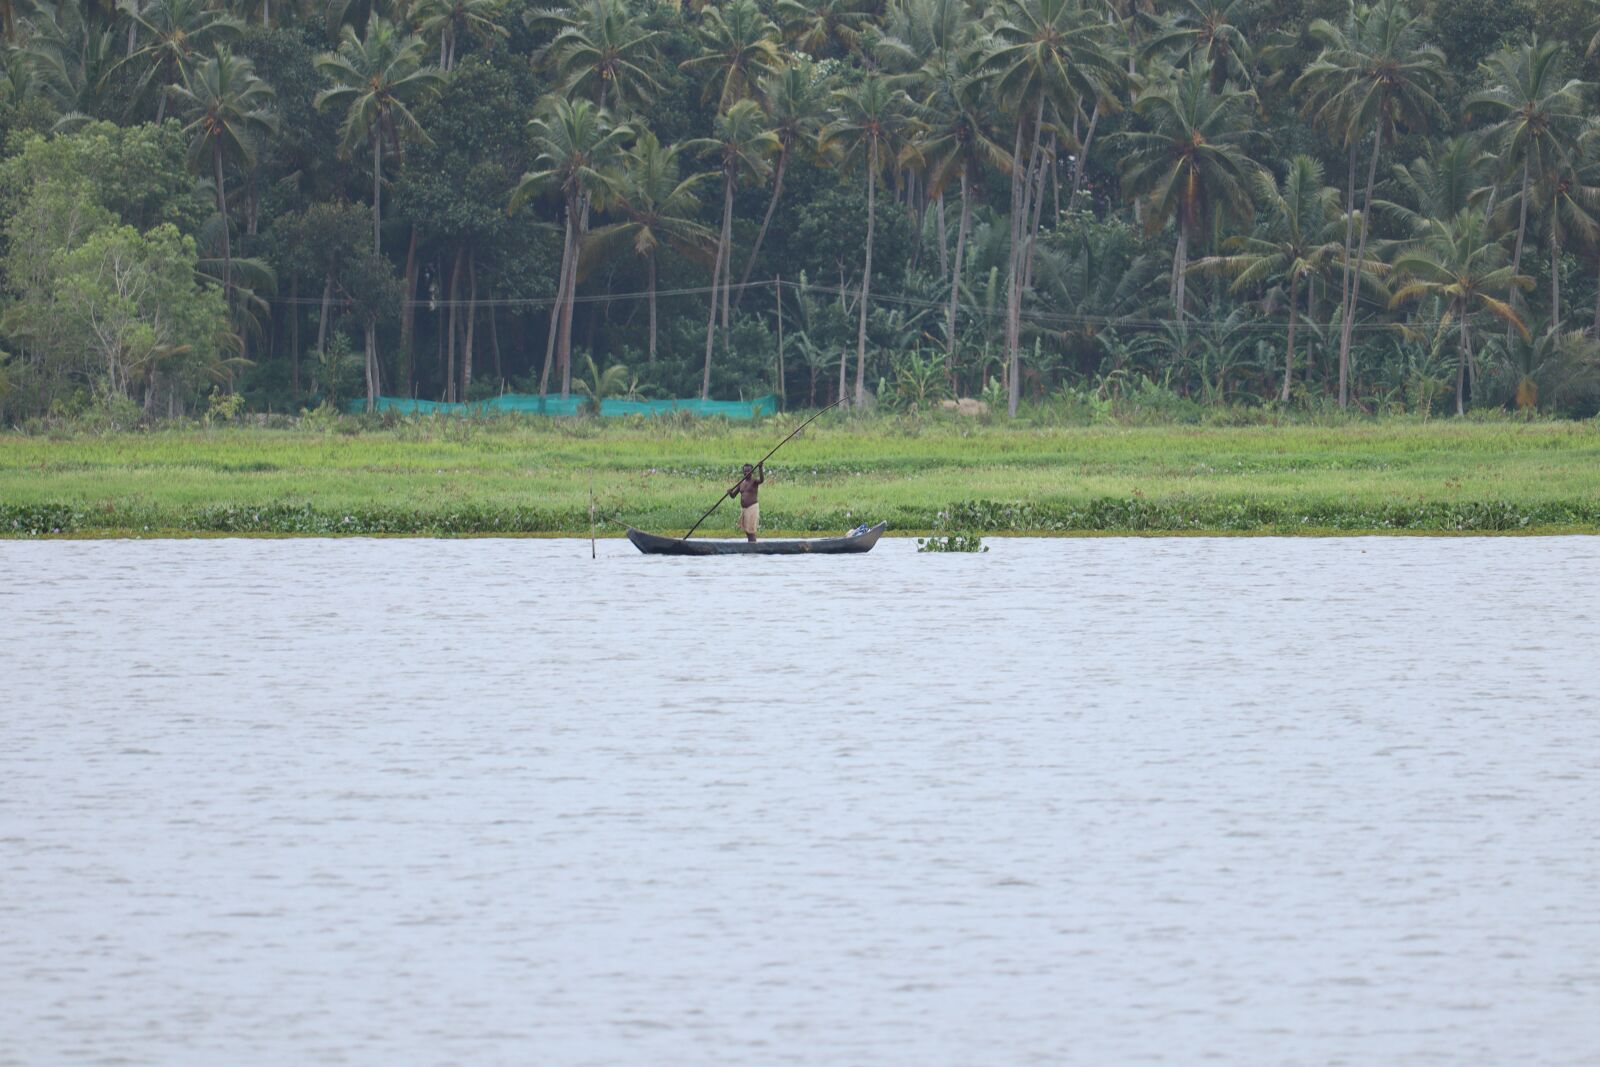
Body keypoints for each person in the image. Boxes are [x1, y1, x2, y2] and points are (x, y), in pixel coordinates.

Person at [728, 462, 764, 542]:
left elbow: (761, 480)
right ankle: (751, 544)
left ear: (752, 472)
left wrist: (760, 468)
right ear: (743, 472)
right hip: (744, 509)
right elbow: (733, 496)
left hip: (752, 508)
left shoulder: (754, 481)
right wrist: (730, 492)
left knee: (751, 531)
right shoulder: (741, 483)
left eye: (748, 471)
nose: (746, 473)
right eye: (745, 471)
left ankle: (753, 546)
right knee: (747, 531)